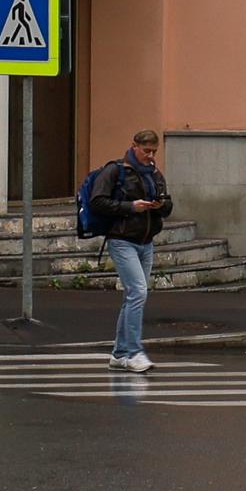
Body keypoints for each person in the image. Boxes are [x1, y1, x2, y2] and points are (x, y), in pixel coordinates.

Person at [86, 128, 171, 372]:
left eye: (154, 151)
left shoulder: (154, 173)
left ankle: (119, 354)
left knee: (133, 296)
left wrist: (160, 205)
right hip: (121, 240)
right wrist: (131, 206)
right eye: (146, 150)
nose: (151, 155)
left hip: (146, 241)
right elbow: (97, 201)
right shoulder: (115, 170)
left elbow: (167, 204)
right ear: (134, 146)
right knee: (138, 293)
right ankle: (134, 352)